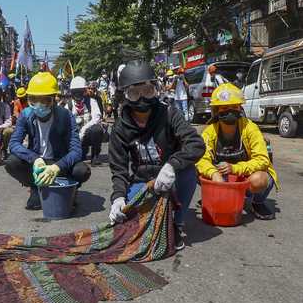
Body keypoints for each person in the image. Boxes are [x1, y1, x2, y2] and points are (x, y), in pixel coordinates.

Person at [108, 60, 206, 250]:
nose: (142, 99)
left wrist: (172, 165)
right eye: (134, 93)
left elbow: (196, 144)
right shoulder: (119, 128)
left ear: (156, 89)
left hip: (171, 178)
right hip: (142, 183)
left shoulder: (169, 113)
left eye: (147, 91)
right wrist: (118, 198)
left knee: (188, 172)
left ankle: (177, 224)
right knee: (129, 225)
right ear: (125, 96)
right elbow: (118, 169)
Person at [5, 72, 91, 210]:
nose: (39, 105)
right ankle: (35, 186)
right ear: (28, 99)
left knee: (82, 171)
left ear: (53, 100)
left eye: (44, 100)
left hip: (59, 163)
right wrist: (34, 159)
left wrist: (57, 167)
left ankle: (71, 187)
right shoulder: (25, 115)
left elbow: (76, 151)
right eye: (34, 100)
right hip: (38, 165)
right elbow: (14, 144)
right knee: (11, 162)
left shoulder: (66, 116)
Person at [196, 83, 278, 220]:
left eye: (234, 107)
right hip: (221, 177)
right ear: (216, 111)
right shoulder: (209, 132)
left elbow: (262, 160)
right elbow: (201, 158)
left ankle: (257, 202)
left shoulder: (250, 128)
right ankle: (215, 195)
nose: (230, 111)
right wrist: (214, 174)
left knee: (260, 179)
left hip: (245, 177)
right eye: (225, 108)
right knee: (192, 169)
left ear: (240, 108)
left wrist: (234, 168)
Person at [65, 76, 104, 166]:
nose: (78, 95)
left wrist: (84, 129)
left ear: (84, 91)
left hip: (88, 134)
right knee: (79, 158)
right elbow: (65, 121)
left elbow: (97, 118)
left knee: (97, 129)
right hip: (74, 137)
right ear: (71, 92)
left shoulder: (92, 102)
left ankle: (95, 156)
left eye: (80, 92)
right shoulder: (69, 105)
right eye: (75, 92)